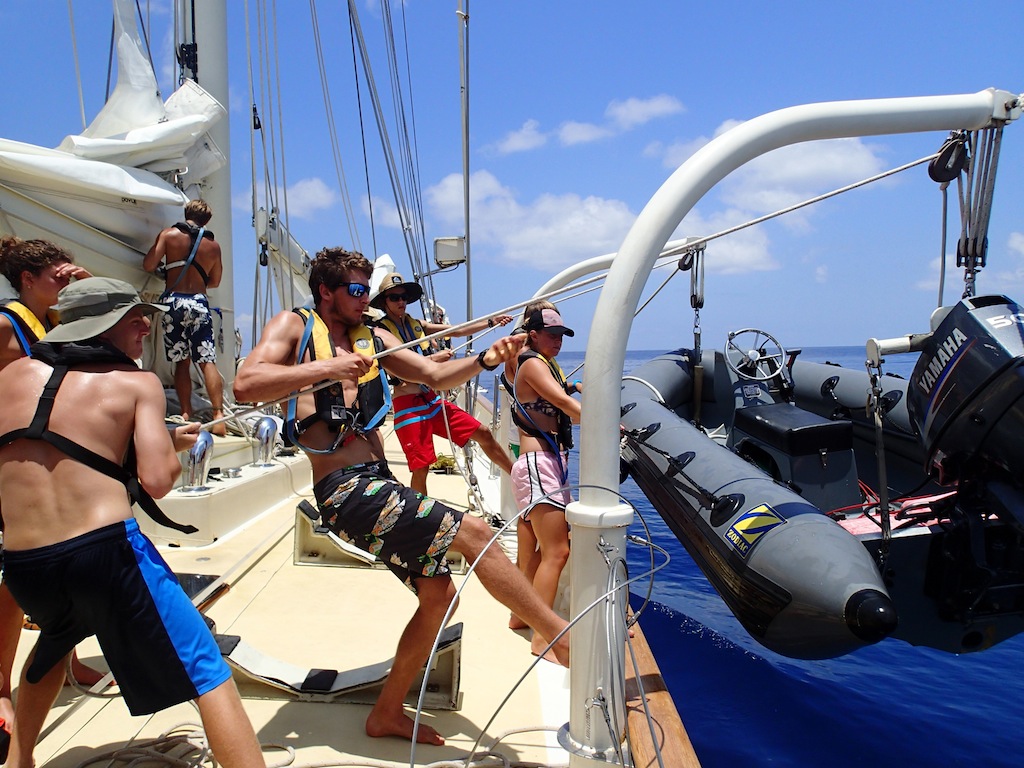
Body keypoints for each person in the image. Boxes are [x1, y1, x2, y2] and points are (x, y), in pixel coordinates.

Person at [234, 248, 570, 746]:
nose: (364, 299)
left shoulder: (374, 337)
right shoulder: (295, 326)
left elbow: (432, 375)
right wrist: (328, 369)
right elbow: (245, 384)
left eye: (366, 290)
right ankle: (564, 639)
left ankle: (386, 713)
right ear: (325, 290)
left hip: (379, 481)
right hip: (344, 490)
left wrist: (484, 359)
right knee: (475, 531)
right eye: (355, 290)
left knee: (440, 597)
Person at [0, 277, 263, 768]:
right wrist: (165, 444)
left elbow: (49, 444)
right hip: (108, 556)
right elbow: (158, 481)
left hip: (26, 566)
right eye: (134, 316)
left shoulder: (10, 375)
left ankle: (20, 762)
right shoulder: (136, 382)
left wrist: (149, 440)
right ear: (104, 325)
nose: (146, 325)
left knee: (53, 646)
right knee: (206, 670)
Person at [0, 237, 103, 737]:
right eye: (60, 277)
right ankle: (0, 685)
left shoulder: (56, 324)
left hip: (54, 458)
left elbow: (105, 331)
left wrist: (87, 286)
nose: (69, 282)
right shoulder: (7, 326)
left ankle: (68, 662)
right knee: (11, 582)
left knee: (62, 565)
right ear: (27, 280)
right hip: (14, 466)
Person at [368, 272, 515, 496]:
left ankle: (519, 479)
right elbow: (399, 369)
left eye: (403, 297)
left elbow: (456, 330)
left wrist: (490, 322)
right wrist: (435, 359)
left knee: (483, 433)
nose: (401, 301)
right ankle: (420, 514)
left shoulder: (416, 325)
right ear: (384, 302)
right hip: (408, 405)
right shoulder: (381, 333)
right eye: (394, 297)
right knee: (421, 468)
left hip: (431, 400)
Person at [508, 308, 582, 631]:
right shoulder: (533, 364)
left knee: (539, 552)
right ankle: (543, 635)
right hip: (539, 465)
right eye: (551, 335)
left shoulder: (543, 363)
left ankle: (520, 616)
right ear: (533, 335)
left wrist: (575, 387)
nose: (558, 341)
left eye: (561, 336)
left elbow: (562, 402)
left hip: (544, 464)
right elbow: (564, 405)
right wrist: (606, 421)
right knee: (558, 551)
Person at [143, 199, 227, 435]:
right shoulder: (213, 246)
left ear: (186, 212)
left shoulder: (168, 235)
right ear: (207, 220)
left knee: (182, 361)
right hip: (199, 302)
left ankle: (186, 413)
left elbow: (149, 265)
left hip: (173, 302)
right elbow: (215, 281)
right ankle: (218, 415)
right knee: (207, 360)